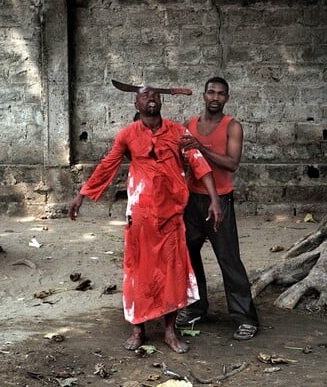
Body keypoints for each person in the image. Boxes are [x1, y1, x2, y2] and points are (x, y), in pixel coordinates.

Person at [69, 85, 223, 353]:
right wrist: (83, 194)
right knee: (137, 270)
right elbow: (108, 165)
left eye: (155, 95)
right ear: (136, 104)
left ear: (161, 102)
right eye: (144, 95)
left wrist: (215, 199)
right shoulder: (128, 135)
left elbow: (198, 162)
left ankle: (169, 331)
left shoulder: (178, 132)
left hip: (172, 215)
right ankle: (138, 329)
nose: (150, 98)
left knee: (172, 271)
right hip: (140, 215)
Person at [178, 77, 260, 340]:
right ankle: (196, 307)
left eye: (220, 94)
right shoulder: (189, 125)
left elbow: (232, 163)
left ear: (227, 98)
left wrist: (201, 147)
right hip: (192, 201)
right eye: (211, 92)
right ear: (203, 95)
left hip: (220, 201)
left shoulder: (231, 126)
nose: (215, 97)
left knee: (229, 260)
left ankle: (245, 318)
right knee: (189, 257)